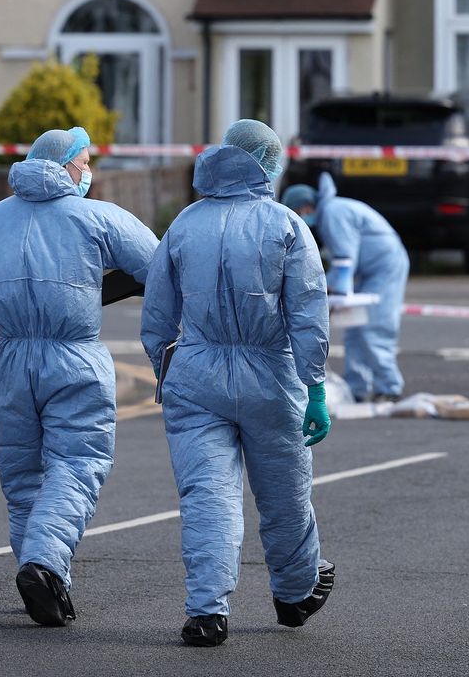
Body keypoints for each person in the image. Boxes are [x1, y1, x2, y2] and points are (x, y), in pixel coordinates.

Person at [141, 119, 335, 647]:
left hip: (197, 373)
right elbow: (308, 312)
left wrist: (166, 369)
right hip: (271, 373)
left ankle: (207, 611)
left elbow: (157, 313)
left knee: (208, 495)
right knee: (284, 490)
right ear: (268, 164)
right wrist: (314, 386)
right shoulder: (287, 224)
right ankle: (295, 591)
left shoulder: (184, 223)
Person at [0, 126, 159, 627]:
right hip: (74, 358)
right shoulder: (96, 216)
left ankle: (47, 583)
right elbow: (161, 268)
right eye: (87, 160)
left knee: (22, 477)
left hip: (9, 361)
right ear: (71, 166)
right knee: (77, 463)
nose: (89, 171)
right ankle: (45, 562)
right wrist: (104, 289)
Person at [281, 173, 410, 402]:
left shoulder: (332, 213)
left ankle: (389, 387)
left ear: (306, 207)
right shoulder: (332, 210)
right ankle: (356, 387)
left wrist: (333, 290)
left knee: (374, 328)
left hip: (384, 268)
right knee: (355, 328)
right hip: (370, 270)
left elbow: (344, 259)